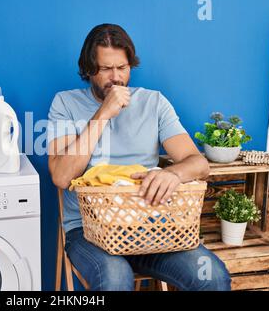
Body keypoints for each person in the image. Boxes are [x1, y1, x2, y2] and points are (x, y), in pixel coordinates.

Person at [47, 23, 231, 291]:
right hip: (89, 233)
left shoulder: (153, 102)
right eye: (106, 69)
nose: (116, 78)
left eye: (122, 68)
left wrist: (172, 173)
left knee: (212, 276)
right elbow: (62, 177)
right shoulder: (65, 104)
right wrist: (102, 114)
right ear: (89, 69)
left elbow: (198, 163)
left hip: (153, 229)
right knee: (115, 277)